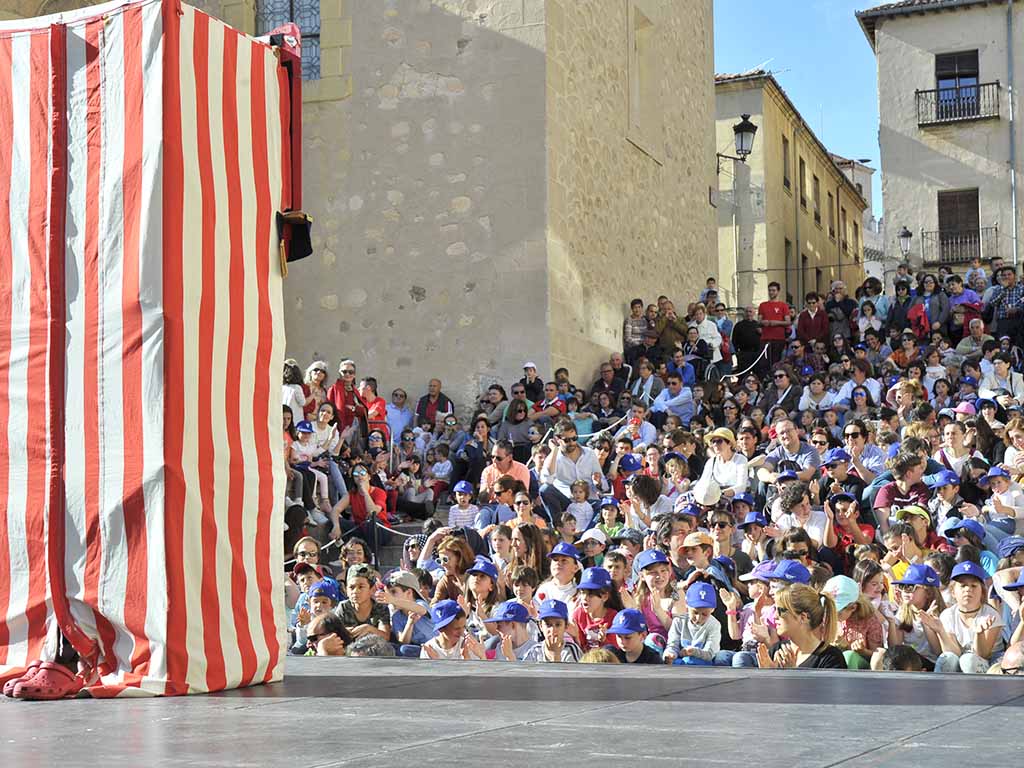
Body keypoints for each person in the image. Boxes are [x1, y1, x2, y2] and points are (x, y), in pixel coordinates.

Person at [757, 584, 847, 669]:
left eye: (781, 610)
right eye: (774, 610)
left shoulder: (831, 657)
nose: (775, 616)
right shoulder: (777, 650)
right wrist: (767, 674)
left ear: (803, 617)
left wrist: (792, 674)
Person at [663, 581, 722, 665]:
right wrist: (670, 654)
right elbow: (672, 645)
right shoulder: (679, 621)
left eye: (704, 614)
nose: (698, 618)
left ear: (712, 609)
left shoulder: (714, 625)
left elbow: (710, 654)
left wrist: (693, 652)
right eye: (695, 612)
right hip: (680, 661)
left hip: (702, 663)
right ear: (687, 605)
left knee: (691, 661)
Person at [758, 282, 791, 368]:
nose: (771, 292)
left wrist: (776, 323)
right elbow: (759, 320)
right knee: (764, 363)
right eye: (769, 290)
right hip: (765, 339)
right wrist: (763, 322)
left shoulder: (783, 305)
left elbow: (788, 322)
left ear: (778, 291)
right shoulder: (762, 305)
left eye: (773, 290)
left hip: (779, 339)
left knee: (776, 363)